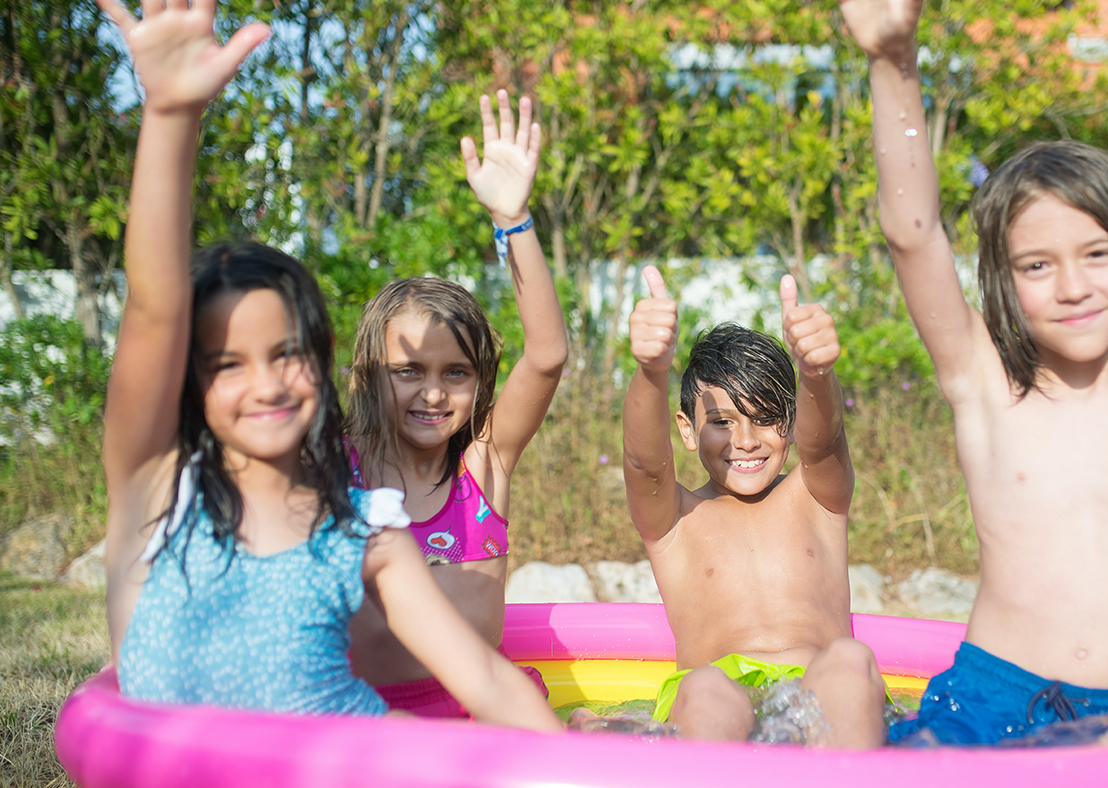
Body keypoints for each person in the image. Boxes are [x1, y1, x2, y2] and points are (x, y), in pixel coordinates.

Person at [97, 0, 560, 731]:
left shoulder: (364, 534)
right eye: (226, 364)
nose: (269, 382)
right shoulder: (157, 489)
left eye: (289, 355)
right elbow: (155, 309)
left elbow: (487, 683)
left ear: (319, 360)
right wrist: (171, 117)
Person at [838, 0, 1108, 750]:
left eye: (1096, 254)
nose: (1073, 286)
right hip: (983, 697)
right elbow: (911, 233)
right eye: (1038, 266)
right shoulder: (984, 382)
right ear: (1004, 281)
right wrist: (892, 62)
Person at [342, 90, 568, 718]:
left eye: (456, 373)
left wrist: (514, 220)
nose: (434, 392)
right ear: (368, 372)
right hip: (372, 720)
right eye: (408, 370)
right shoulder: (338, 469)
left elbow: (547, 354)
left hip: (480, 716)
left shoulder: (483, 467)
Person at [621, 266, 887, 748]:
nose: (744, 441)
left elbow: (824, 441)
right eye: (722, 422)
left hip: (818, 687)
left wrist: (816, 372)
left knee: (852, 661)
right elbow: (644, 465)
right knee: (703, 688)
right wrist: (650, 370)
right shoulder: (675, 521)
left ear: (792, 422)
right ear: (686, 429)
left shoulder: (815, 496)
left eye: (765, 419)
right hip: (717, 697)